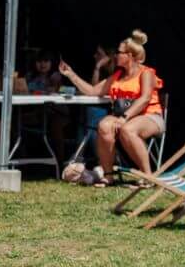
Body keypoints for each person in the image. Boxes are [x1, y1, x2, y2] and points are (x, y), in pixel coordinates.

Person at [58, 31, 164, 182]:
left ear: (131, 56)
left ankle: (148, 176)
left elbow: (145, 98)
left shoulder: (146, 73)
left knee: (128, 129)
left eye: (119, 53)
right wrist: (70, 74)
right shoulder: (116, 76)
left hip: (150, 117)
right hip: (125, 118)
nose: (115, 55)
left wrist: (124, 118)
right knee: (104, 125)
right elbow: (92, 91)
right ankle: (108, 176)